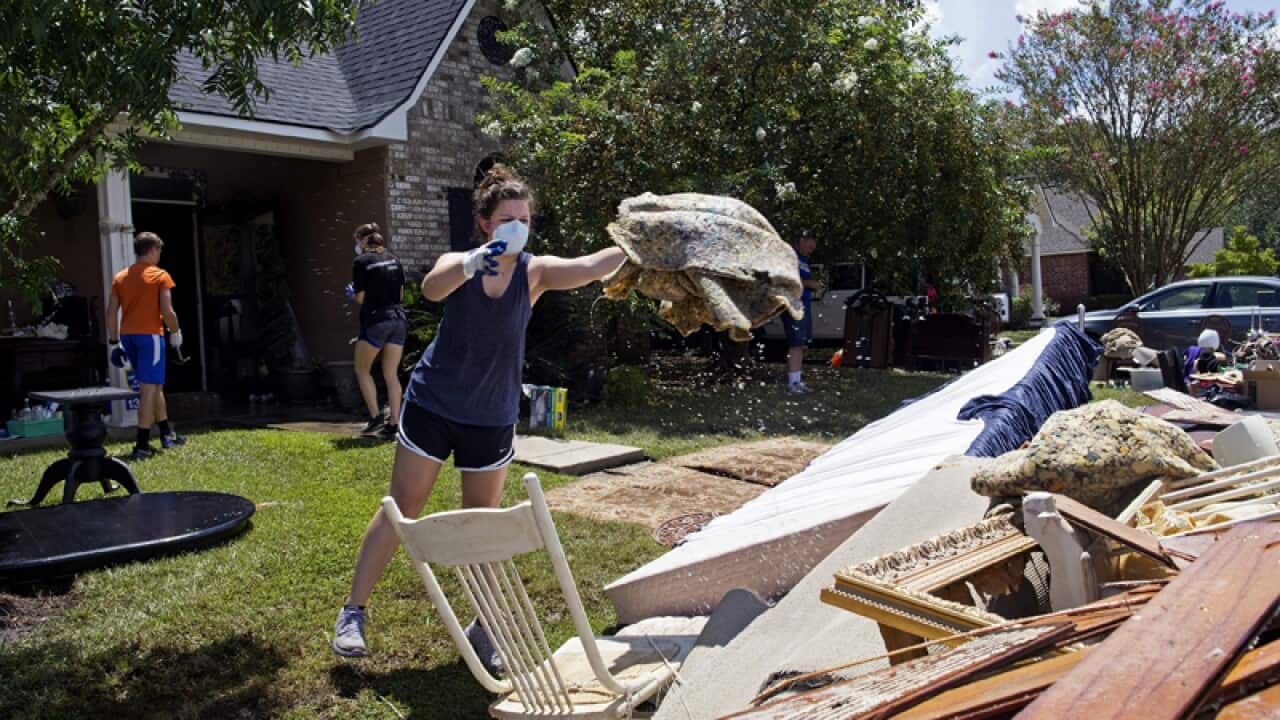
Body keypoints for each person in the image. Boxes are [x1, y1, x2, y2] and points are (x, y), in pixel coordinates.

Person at [332, 165, 625, 659]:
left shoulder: (535, 271)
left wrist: (637, 243)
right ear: (486, 223)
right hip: (434, 404)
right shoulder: (459, 262)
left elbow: (593, 266)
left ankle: (485, 625)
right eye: (508, 217)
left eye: (526, 218)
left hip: (490, 415)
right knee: (402, 508)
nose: (519, 226)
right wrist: (471, 263)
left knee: (482, 522)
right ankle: (353, 613)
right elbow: (430, 288)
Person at [106, 231, 185, 461]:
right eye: (159, 249)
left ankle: (166, 434)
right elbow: (168, 311)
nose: (160, 254)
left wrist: (114, 342)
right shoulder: (160, 275)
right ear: (153, 250)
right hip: (150, 336)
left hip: (128, 337)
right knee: (149, 389)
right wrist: (176, 332)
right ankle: (141, 444)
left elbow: (111, 312)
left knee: (155, 385)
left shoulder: (121, 277)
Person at [348, 223, 407, 437]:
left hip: (376, 321)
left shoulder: (361, 261)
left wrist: (352, 293)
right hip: (398, 319)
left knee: (362, 369)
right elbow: (400, 295)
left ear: (363, 241)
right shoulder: (394, 260)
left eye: (357, 241)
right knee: (391, 374)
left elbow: (361, 297)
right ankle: (395, 423)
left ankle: (375, 418)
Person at [783, 230, 824, 394]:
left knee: (801, 344)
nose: (812, 247)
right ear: (801, 240)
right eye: (810, 243)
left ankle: (797, 381)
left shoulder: (805, 260)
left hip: (803, 304)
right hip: (794, 305)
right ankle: (792, 384)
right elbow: (788, 279)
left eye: (814, 244)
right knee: (796, 343)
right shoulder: (791, 256)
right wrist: (811, 284)